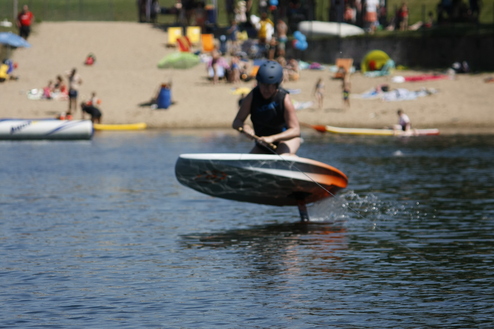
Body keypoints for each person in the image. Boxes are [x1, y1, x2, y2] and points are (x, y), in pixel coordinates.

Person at [232, 60, 301, 155]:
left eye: (270, 85)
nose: (266, 89)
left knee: (282, 158)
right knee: (249, 164)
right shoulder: (252, 96)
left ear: (277, 85)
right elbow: (236, 122)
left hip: (286, 140)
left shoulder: (284, 98)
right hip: (263, 143)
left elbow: (295, 130)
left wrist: (272, 138)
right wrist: (245, 128)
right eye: (263, 84)